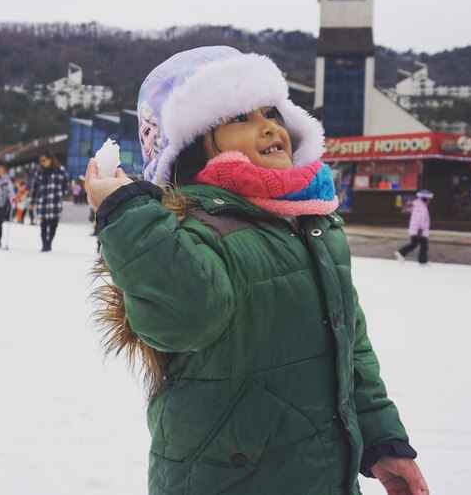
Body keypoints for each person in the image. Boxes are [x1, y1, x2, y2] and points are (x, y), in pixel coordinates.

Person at [85, 47, 429, 495]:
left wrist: (382, 438)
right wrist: (129, 215)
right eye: (239, 118)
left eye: (271, 111)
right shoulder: (194, 229)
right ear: (191, 148)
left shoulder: (313, 223)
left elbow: (351, 345)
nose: (268, 126)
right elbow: (183, 318)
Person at [30, 152, 67, 251]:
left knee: (54, 225)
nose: (42, 162)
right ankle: (44, 244)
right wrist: (32, 201)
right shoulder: (39, 171)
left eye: (44, 160)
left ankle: (49, 242)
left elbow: (65, 185)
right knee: (43, 225)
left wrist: (61, 193)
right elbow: (34, 187)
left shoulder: (60, 170)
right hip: (43, 202)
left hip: (55, 203)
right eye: (41, 161)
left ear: (50, 159)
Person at [395, 190, 433, 265]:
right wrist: (420, 229)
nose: (429, 200)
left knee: (414, 244)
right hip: (419, 230)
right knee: (423, 245)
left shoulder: (420, 205)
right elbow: (420, 218)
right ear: (424, 198)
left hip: (417, 229)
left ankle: (401, 253)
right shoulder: (421, 207)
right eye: (428, 198)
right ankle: (422, 260)